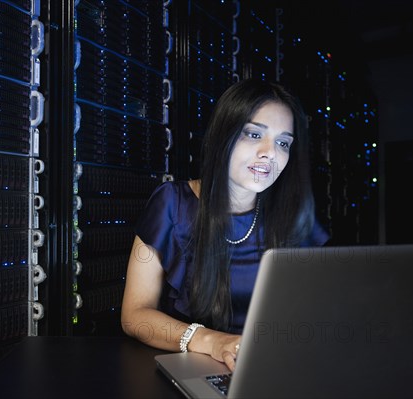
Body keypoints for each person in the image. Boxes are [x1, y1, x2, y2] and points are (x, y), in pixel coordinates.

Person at [121, 78, 330, 372]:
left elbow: (319, 312)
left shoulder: (293, 216)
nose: (270, 152)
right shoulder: (173, 203)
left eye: (283, 143)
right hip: (196, 366)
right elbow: (135, 314)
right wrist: (212, 341)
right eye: (254, 134)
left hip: (273, 370)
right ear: (223, 135)